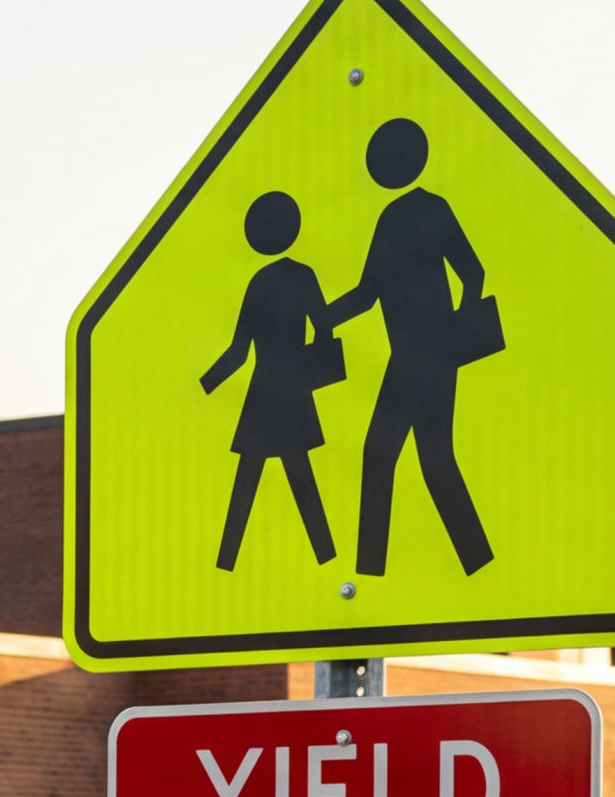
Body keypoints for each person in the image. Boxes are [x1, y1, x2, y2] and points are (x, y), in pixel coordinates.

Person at [323, 117, 496, 577]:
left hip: (425, 358)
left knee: (405, 456)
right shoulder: (399, 216)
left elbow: (471, 272)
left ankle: (386, 568)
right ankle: (466, 561)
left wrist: (454, 335)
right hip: (414, 358)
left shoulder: (422, 211)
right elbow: (370, 293)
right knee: (411, 457)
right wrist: (322, 318)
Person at [200, 190, 340, 570]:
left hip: (263, 394)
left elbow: (239, 352)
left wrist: (205, 384)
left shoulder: (259, 282)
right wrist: (312, 364)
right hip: (292, 391)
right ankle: (326, 557)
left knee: (250, 478)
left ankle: (227, 561)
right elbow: (324, 327)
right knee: (298, 474)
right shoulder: (303, 275)